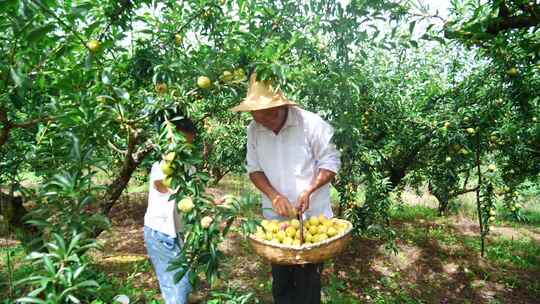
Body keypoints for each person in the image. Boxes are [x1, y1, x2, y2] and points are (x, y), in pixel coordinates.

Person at [231, 74, 341, 304]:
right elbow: (255, 170)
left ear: (281, 106)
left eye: (269, 114)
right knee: (281, 283)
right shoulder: (254, 129)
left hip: (311, 222)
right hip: (276, 222)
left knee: (307, 284)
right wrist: (273, 195)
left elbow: (330, 163)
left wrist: (309, 190)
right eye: (257, 115)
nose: (264, 121)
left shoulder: (310, 124)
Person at [143, 116, 198, 304]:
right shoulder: (162, 165)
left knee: (181, 282)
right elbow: (161, 185)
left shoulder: (189, 166)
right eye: (182, 143)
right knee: (177, 287)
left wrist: (211, 202)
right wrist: (182, 190)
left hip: (175, 234)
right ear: (171, 139)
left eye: (189, 144)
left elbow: (195, 193)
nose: (186, 149)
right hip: (159, 234)